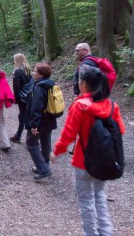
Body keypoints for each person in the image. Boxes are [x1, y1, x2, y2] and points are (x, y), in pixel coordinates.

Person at [50, 65, 125, 236]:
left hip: (83, 161)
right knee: (99, 195)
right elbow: (119, 131)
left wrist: (57, 151)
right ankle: (105, 232)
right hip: (104, 160)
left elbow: (68, 135)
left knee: (85, 199)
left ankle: (91, 233)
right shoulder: (112, 106)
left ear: (83, 84)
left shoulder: (80, 106)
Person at [25, 62, 57, 180]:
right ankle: (44, 165)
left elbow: (36, 108)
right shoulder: (50, 85)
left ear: (41, 74)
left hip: (40, 121)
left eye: (35, 71)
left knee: (31, 144)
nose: (33, 73)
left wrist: (34, 125)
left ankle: (43, 169)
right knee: (45, 144)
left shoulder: (39, 87)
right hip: (49, 120)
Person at [10, 53, 32, 143]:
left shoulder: (18, 71)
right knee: (28, 115)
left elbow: (16, 87)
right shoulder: (28, 69)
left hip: (22, 97)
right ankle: (28, 136)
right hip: (30, 96)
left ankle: (19, 135)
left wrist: (15, 98)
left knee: (22, 116)